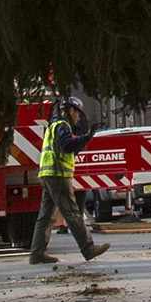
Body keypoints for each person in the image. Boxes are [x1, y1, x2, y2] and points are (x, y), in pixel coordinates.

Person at [28, 94, 105, 265]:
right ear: (70, 110)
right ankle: (88, 248)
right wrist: (87, 137)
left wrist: (82, 140)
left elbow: (67, 149)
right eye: (77, 113)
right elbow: (67, 145)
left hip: (48, 174)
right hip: (58, 175)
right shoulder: (63, 126)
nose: (78, 116)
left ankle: (37, 253)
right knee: (72, 213)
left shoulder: (54, 125)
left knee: (45, 216)